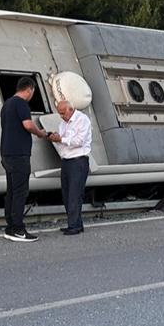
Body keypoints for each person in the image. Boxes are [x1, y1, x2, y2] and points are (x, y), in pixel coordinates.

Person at [0, 76, 53, 242]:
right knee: (21, 192)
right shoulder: (21, 103)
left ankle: (10, 227)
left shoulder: (7, 104)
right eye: (32, 92)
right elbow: (28, 125)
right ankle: (18, 229)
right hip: (19, 154)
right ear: (29, 89)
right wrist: (41, 133)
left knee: (12, 192)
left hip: (7, 153)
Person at [50, 99, 92, 235]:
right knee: (67, 194)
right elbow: (64, 142)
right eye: (60, 113)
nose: (62, 116)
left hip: (78, 160)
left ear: (70, 109)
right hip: (67, 160)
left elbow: (79, 141)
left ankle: (73, 225)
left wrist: (60, 139)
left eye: (63, 113)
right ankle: (76, 223)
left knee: (74, 194)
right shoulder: (63, 123)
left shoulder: (82, 120)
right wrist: (56, 137)